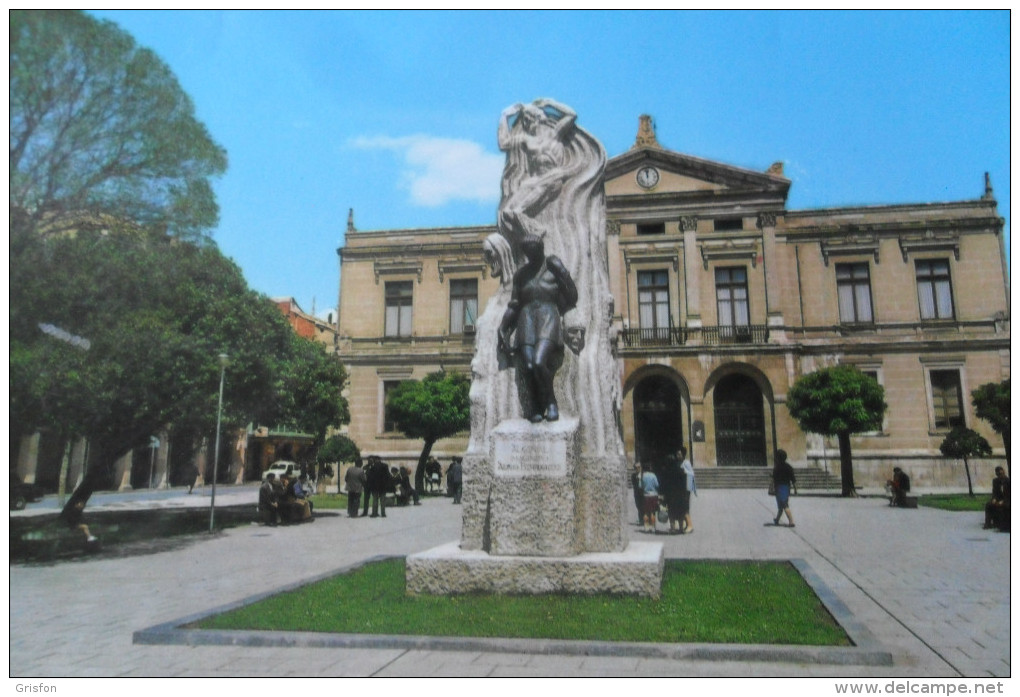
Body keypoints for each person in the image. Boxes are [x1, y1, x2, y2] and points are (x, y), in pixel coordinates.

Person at [498, 234, 578, 423]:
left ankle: (550, 402)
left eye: (533, 251)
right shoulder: (521, 275)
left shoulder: (552, 269)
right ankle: (534, 405)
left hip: (548, 316)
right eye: (527, 252)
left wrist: (563, 273)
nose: (529, 256)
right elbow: (514, 304)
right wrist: (503, 327)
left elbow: (573, 298)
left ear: (540, 249)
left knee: (539, 360)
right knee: (528, 364)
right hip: (526, 319)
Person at [497, 99, 578, 243]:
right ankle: (534, 231)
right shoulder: (526, 139)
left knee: (518, 211)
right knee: (506, 213)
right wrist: (504, 116)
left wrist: (550, 103)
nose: (527, 122)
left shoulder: (554, 133)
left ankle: (536, 234)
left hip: (552, 177)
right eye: (525, 120)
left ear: (539, 118)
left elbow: (571, 115)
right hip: (535, 179)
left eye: (529, 118)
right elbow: (503, 143)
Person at [658, 451, 684, 534]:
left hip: (670, 495)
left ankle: (672, 528)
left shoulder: (665, 471)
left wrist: (661, 494)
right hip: (679, 494)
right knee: (680, 511)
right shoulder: (680, 469)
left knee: (671, 512)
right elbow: (683, 482)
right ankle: (681, 528)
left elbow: (663, 484)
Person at [772, 449, 796, 527]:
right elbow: (793, 479)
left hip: (779, 488)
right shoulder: (789, 467)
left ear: (778, 458)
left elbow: (774, 478)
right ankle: (777, 519)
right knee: (781, 505)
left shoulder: (776, 468)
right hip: (786, 487)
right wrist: (795, 489)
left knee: (784, 505)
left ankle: (791, 521)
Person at [984, 466, 1010, 531]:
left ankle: (1002, 526)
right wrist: (994, 499)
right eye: (998, 474)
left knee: (1005, 506)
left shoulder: (1009, 481)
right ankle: (988, 524)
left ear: (1004, 473)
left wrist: (1003, 501)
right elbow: (995, 492)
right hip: (998, 499)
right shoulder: (995, 481)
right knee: (989, 505)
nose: (1000, 476)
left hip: (1007, 500)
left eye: (1001, 474)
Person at [679, 446, 697, 534]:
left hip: (686, 488)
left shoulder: (686, 462)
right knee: (684, 507)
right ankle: (687, 525)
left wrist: (684, 471)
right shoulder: (681, 462)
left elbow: (691, 473)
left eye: (679, 454)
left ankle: (690, 525)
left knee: (685, 507)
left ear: (683, 454)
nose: (677, 455)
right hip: (683, 487)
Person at [640, 465, 661, 533]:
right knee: (653, 512)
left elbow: (640, 485)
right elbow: (657, 484)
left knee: (646, 512)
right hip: (653, 495)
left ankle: (646, 527)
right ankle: (653, 527)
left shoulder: (643, 476)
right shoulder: (653, 475)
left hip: (646, 495)